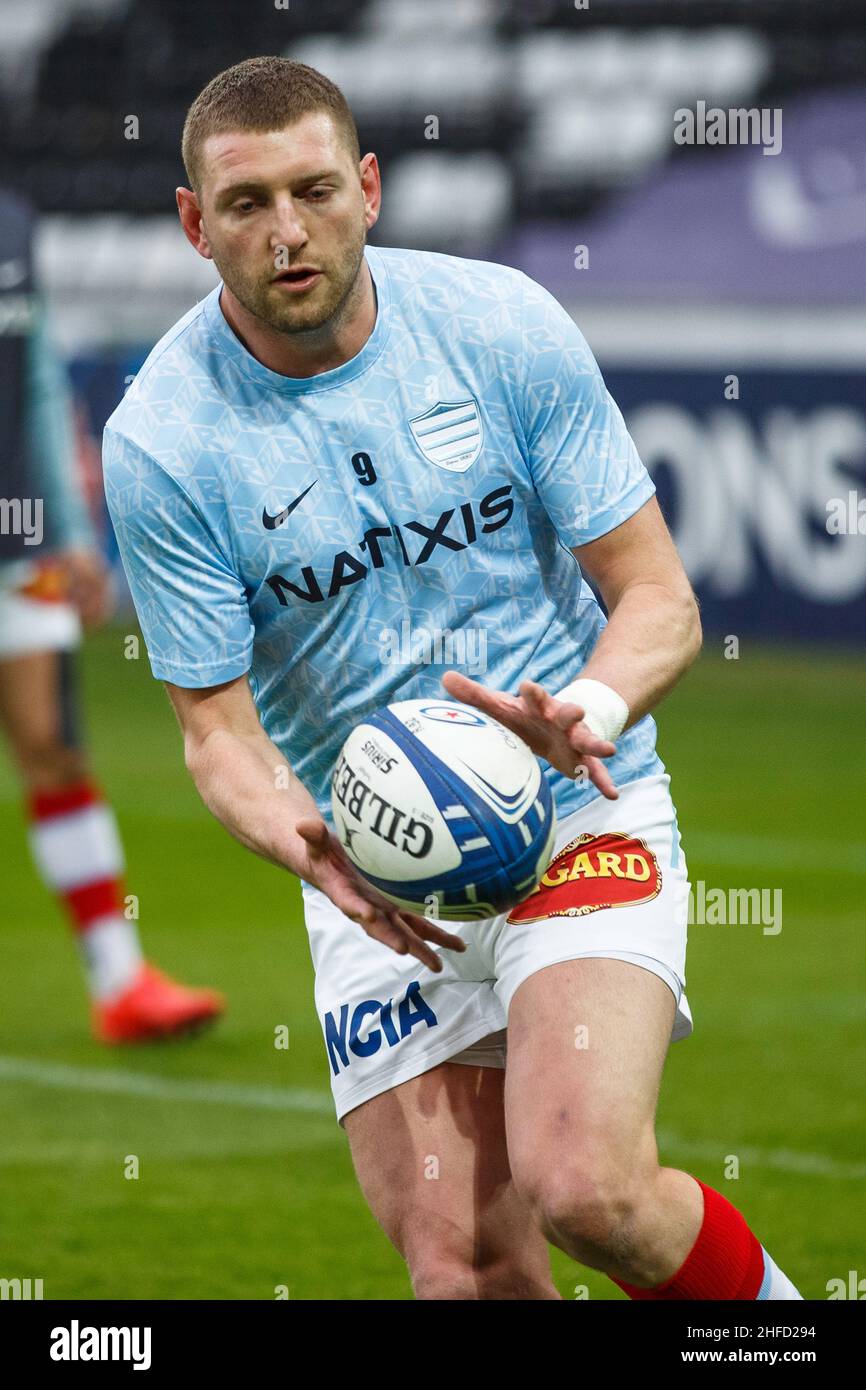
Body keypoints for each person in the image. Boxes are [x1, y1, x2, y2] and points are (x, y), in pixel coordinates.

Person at [102, 57, 801, 1299]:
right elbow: (215, 734)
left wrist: (581, 712)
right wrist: (306, 841)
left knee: (588, 1188)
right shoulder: (164, 438)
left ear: (368, 188)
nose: (287, 230)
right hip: (372, 863)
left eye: (314, 189)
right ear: (192, 222)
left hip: (572, 805)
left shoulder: (498, 326)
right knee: (463, 1268)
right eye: (246, 203)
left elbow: (657, 599)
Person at [0, 185, 224, 1043]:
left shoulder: (18, 221)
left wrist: (74, 530)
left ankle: (120, 982)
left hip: (17, 535)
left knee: (53, 747)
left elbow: (35, 376)